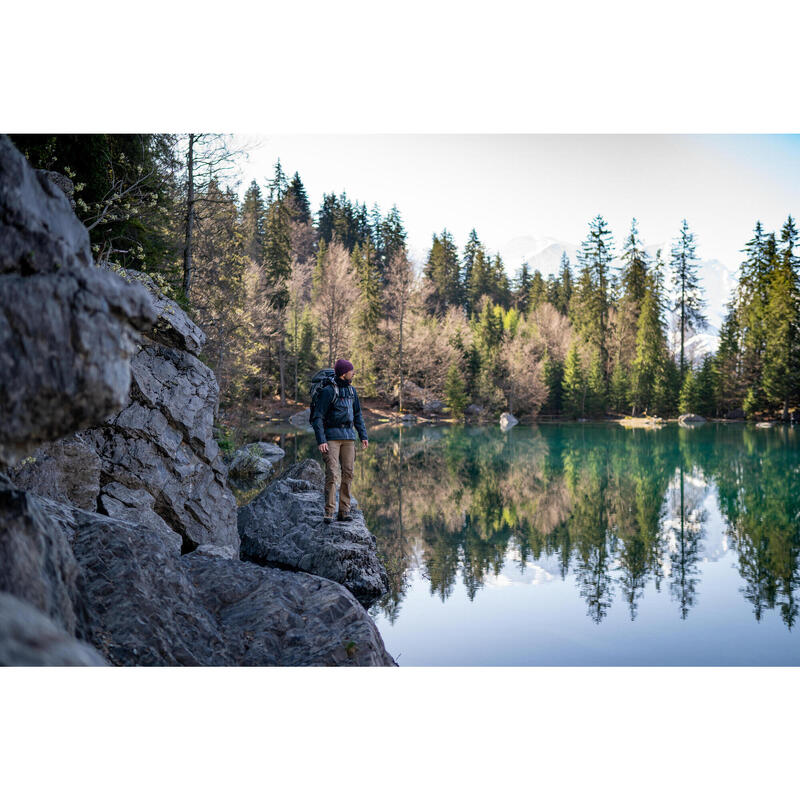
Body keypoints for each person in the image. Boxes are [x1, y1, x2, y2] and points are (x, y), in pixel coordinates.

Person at [310, 358, 369, 524]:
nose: (353, 373)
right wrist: (321, 440)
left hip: (349, 438)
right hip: (331, 439)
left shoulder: (352, 391)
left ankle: (344, 511)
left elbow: (357, 415)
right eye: (351, 370)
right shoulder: (329, 391)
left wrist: (363, 435)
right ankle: (329, 512)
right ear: (344, 373)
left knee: (348, 473)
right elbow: (318, 417)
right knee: (332, 474)